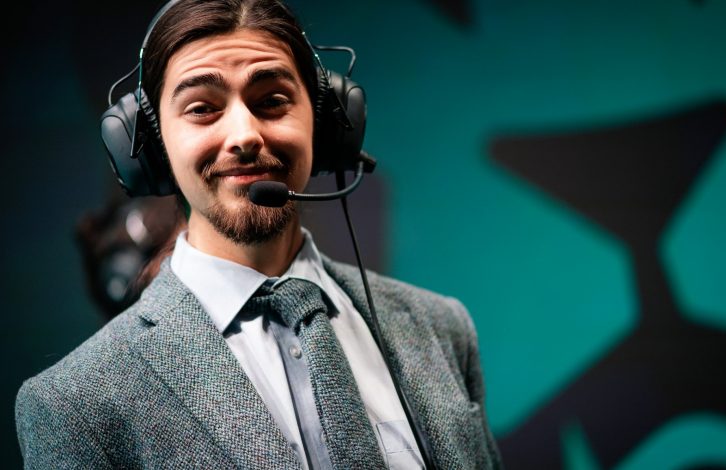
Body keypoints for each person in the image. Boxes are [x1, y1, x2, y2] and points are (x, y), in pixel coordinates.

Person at [15, 0, 501, 468]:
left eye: (271, 101)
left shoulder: (441, 328)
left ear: (327, 123)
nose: (245, 135)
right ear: (150, 148)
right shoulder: (75, 405)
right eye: (202, 108)